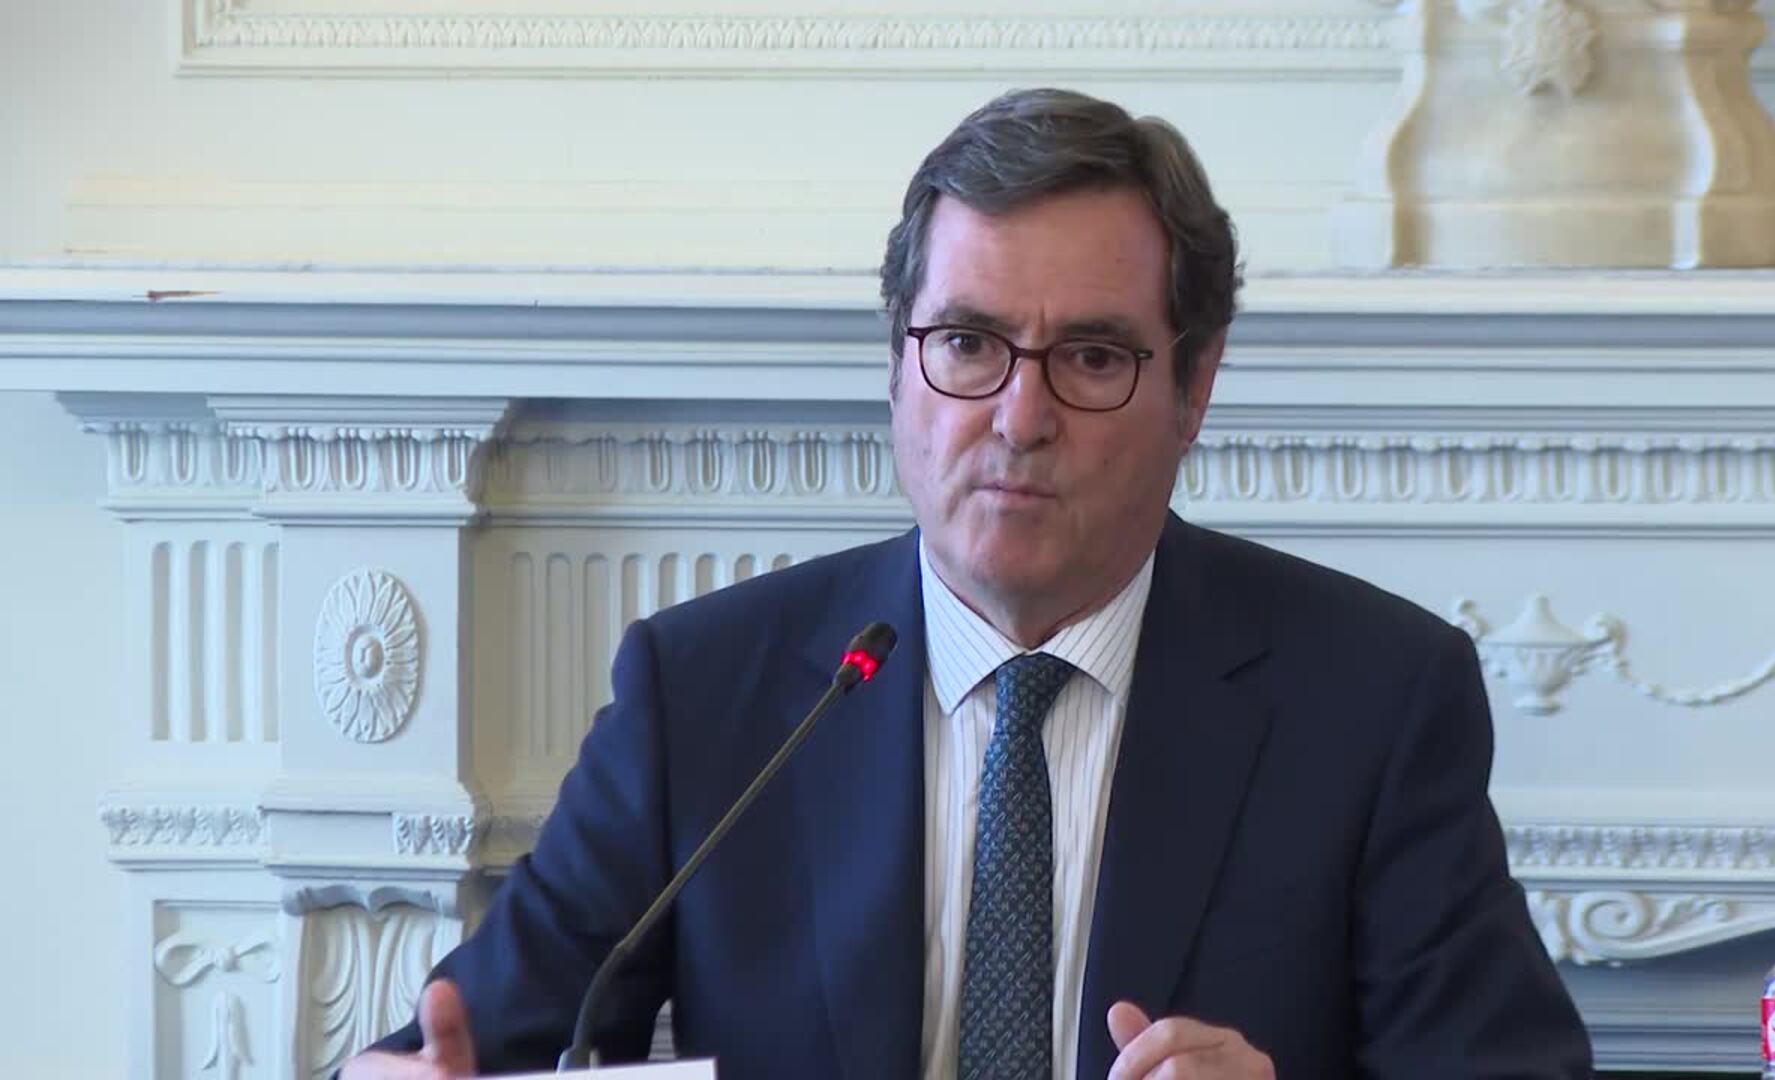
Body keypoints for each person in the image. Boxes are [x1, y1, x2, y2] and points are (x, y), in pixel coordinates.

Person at [345, 88, 1593, 1080]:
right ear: (897, 367)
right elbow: (474, 1045)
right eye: (966, 344)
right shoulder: (707, 692)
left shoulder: (1372, 700)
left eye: (1091, 357)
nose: (1019, 417)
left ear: (1195, 387)